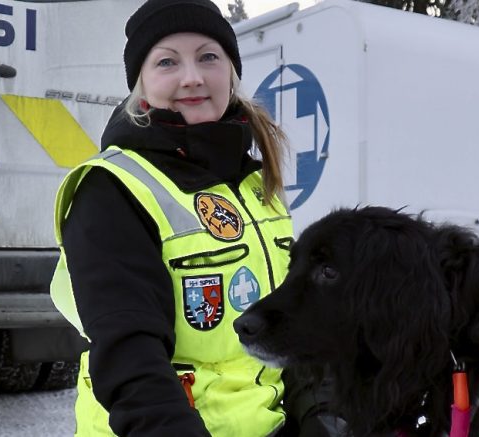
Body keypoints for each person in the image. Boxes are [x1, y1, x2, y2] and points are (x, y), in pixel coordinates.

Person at [48, 0, 331, 435]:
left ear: (231, 74)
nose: (193, 77)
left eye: (208, 57)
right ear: (140, 87)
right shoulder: (112, 190)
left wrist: (318, 414)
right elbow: (130, 360)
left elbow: (294, 328)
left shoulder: (259, 187)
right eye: (167, 61)